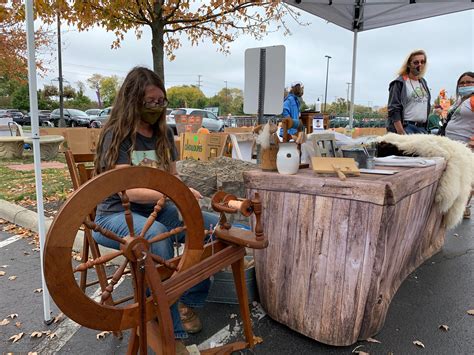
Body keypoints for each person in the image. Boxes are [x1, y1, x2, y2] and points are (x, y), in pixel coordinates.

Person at [92, 66, 219, 342]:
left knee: (213, 229)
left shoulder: (164, 134)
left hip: (157, 209)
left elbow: (171, 178)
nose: (157, 107)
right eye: (150, 101)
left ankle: (188, 301)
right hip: (113, 216)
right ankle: (166, 325)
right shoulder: (117, 135)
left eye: (161, 101)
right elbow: (129, 191)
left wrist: (180, 194)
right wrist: (177, 193)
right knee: (157, 239)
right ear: (133, 100)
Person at [439, 71, 474, 218]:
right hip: (452, 145)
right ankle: (459, 205)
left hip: (467, 145)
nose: (464, 85)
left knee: (468, 178)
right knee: (457, 177)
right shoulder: (459, 101)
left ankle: (464, 206)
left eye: (468, 82)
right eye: (462, 83)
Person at [387, 49, 431, 134]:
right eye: (416, 62)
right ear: (408, 64)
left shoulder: (423, 82)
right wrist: (400, 131)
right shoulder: (399, 83)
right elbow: (393, 109)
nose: (420, 65)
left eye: (422, 62)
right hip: (407, 127)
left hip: (422, 128)